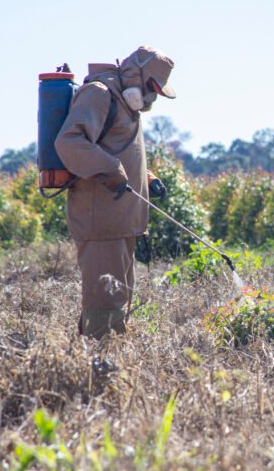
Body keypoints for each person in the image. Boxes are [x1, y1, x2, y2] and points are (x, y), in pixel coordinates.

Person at [55, 45, 175, 339]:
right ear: (138, 75)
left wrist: (147, 178)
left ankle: (106, 364)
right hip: (101, 223)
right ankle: (97, 373)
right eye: (151, 88)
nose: (151, 98)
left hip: (122, 223)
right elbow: (70, 142)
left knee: (118, 301)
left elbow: (117, 150)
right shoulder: (99, 94)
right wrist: (111, 169)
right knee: (104, 304)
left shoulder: (126, 103)